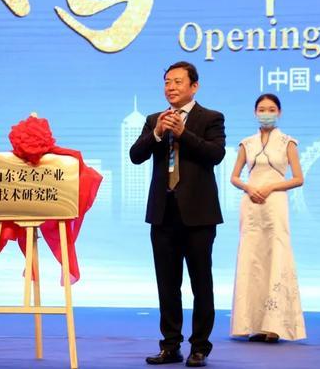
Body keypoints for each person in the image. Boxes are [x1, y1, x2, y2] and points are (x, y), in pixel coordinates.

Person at [130, 61, 225, 367]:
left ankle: (200, 347)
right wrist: (157, 133)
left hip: (199, 215)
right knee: (167, 285)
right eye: (167, 82)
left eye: (177, 82)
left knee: (201, 284)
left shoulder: (211, 118)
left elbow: (215, 154)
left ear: (194, 86)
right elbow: (135, 156)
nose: (170, 87)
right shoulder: (154, 120)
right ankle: (170, 346)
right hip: (163, 213)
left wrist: (184, 133)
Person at [230, 93, 306, 343]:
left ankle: (275, 326)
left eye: (271, 109)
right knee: (251, 258)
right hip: (251, 205)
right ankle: (252, 324)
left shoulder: (287, 142)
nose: (266, 113)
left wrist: (272, 186)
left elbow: (298, 178)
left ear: (279, 113)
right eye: (262, 109)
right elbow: (234, 176)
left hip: (275, 204)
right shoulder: (247, 143)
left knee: (276, 255)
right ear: (255, 113)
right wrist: (248, 188)